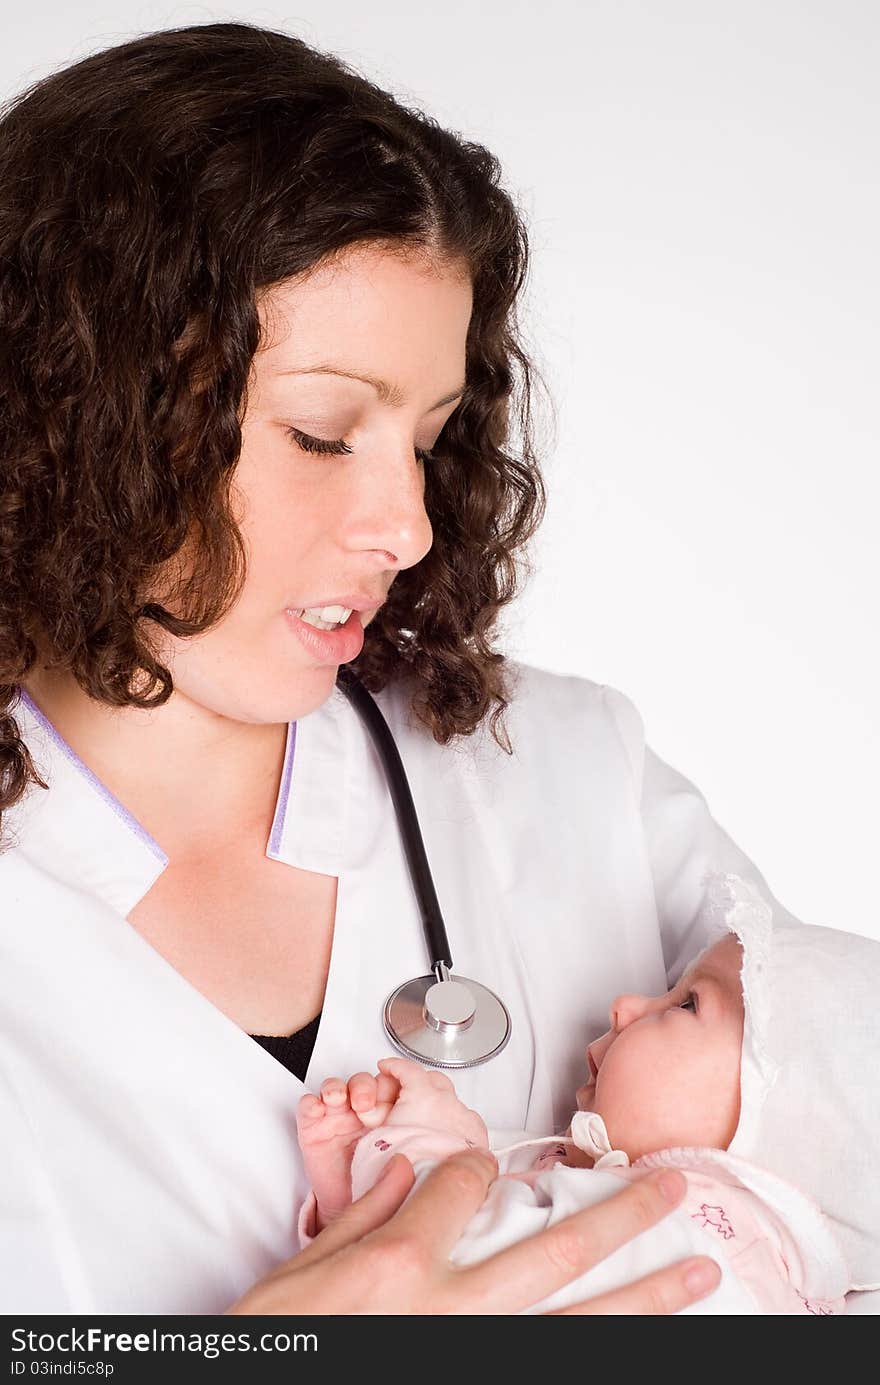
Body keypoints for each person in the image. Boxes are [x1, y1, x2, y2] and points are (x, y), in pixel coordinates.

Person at [0, 19, 846, 1315]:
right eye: (323, 430)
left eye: (431, 436)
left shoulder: (571, 778)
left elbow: (846, 1183)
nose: (406, 525)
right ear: (76, 407)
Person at [296, 872, 880, 1313]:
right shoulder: (617, 1183)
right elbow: (393, 1296)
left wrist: (427, 1146)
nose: (626, 1006)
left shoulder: (701, 1245)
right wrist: (349, 1203)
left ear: (780, 1114)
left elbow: (462, 1275)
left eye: (686, 1003)